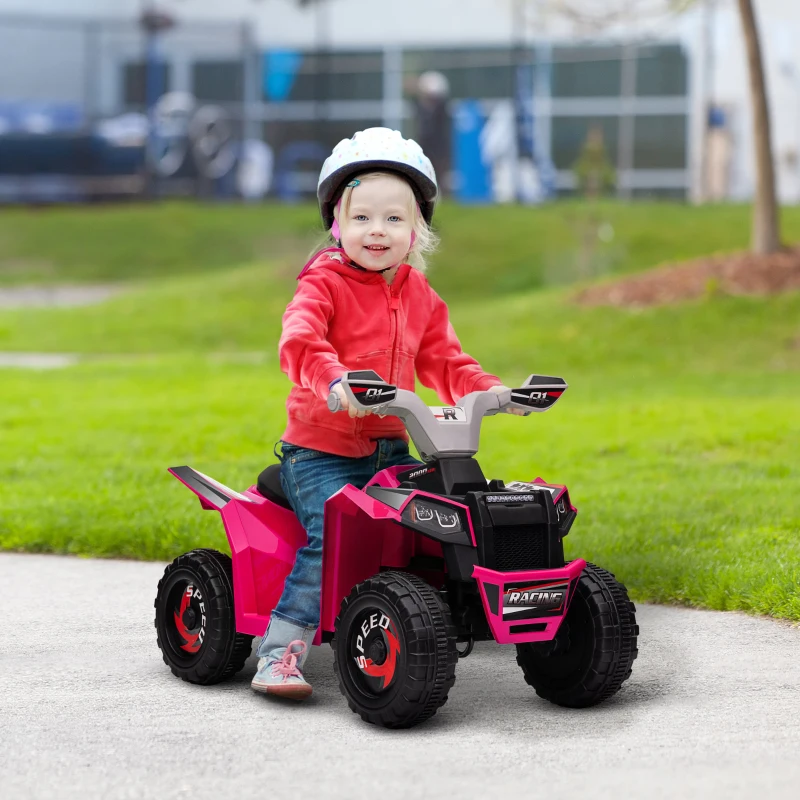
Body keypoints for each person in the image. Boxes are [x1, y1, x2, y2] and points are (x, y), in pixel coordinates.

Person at [251, 127, 519, 700]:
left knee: (430, 527)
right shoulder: (322, 283)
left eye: (395, 219)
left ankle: (434, 621)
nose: (378, 231)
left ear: (418, 229)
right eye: (363, 218)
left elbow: (445, 359)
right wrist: (332, 378)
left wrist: (491, 391)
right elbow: (299, 340)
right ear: (337, 225)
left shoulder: (419, 293)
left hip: (393, 446)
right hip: (321, 451)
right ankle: (280, 651)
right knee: (332, 539)